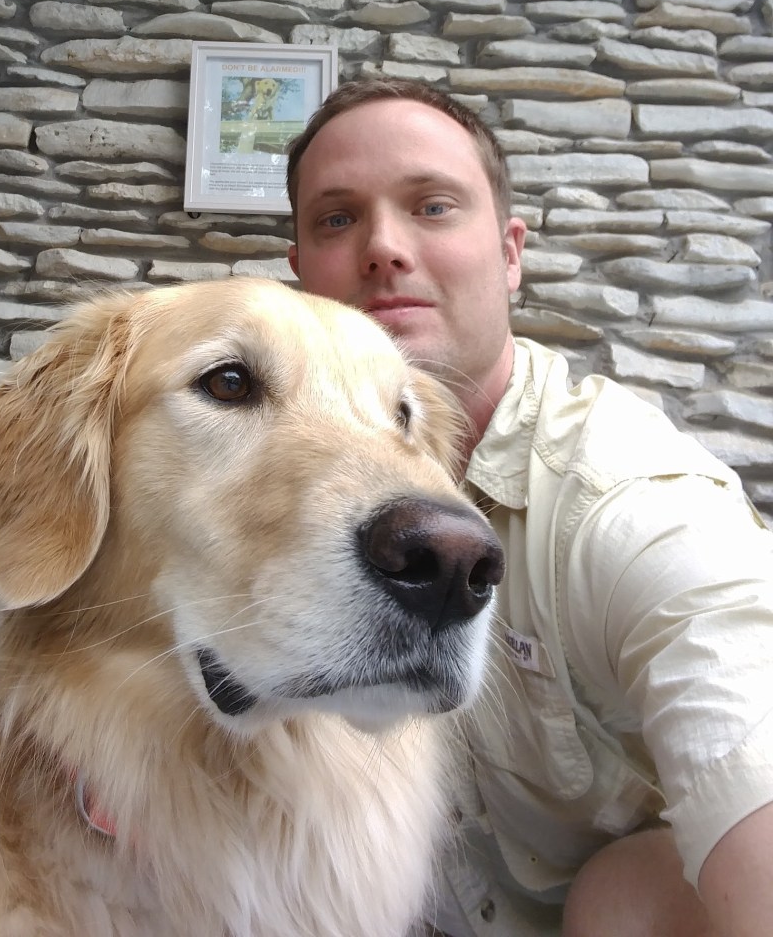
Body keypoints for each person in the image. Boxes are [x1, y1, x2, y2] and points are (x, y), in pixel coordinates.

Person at [285, 77, 773, 937]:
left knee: (626, 895)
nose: (383, 247)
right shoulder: (253, 484)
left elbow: (736, 690)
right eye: (336, 219)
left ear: (510, 253)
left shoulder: (629, 500)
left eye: (432, 207)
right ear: (300, 273)